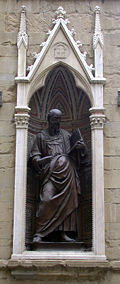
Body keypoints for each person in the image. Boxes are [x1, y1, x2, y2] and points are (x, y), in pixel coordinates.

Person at [30, 109, 87, 243]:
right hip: (50, 173)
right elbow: (35, 156)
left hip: (68, 174)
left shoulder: (66, 135)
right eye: (55, 119)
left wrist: (81, 149)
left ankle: (64, 233)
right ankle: (40, 233)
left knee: (68, 201)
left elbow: (76, 157)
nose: (57, 122)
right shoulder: (41, 137)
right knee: (46, 199)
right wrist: (40, 160)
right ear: (49, 120)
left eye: (59, 119)